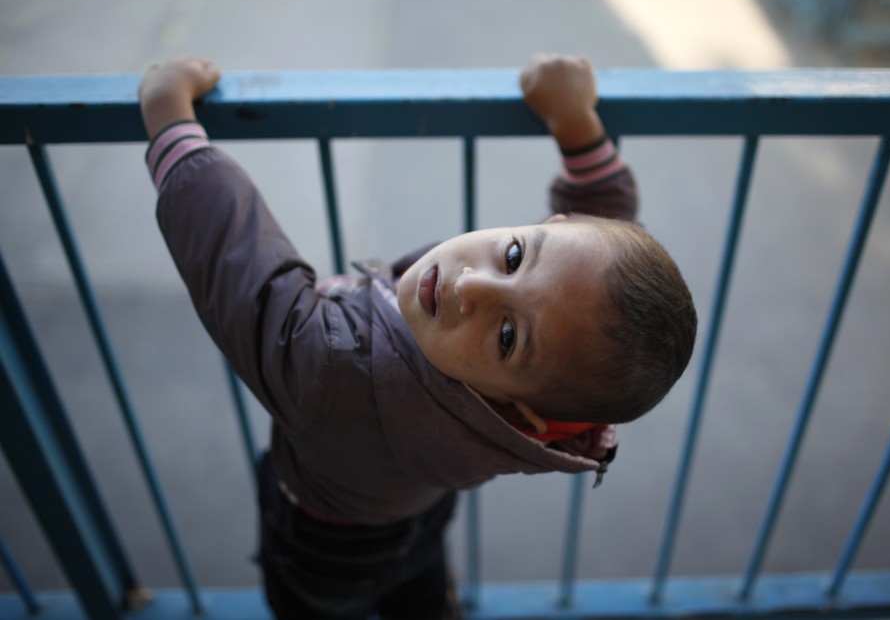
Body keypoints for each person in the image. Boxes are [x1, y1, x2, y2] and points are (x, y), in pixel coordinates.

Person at [138, 54, 696, 619]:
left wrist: (169, 117)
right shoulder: (540, 416)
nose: (470, 286)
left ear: (517, 412)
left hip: (320, 551)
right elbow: (597, 264)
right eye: (512, 255)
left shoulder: (330, 367)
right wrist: (577, 125)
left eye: (506, 336)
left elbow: (236, 267)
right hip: (421, 517)